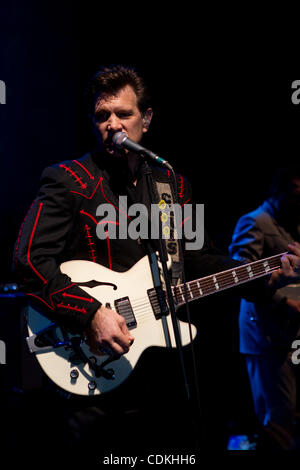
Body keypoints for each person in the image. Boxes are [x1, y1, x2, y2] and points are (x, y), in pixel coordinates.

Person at [13, 65, 300, 459]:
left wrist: (262, 276)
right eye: (102, 115)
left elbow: (194, 261)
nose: (112, 123)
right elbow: (28, 260)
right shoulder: (69, 180)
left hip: (160, 372)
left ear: (145, 120)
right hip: (91, 369)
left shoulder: (170, 185)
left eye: (123, 114)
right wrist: (91, 313)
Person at [229, 166, 300, 450]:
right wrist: (285, 302)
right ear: (278, 190)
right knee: (278, 412)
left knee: (288, 408)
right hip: (265, 334)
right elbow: (239, 276)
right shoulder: (255, 222)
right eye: (295, 190)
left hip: (288, 332)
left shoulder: (291, 221)